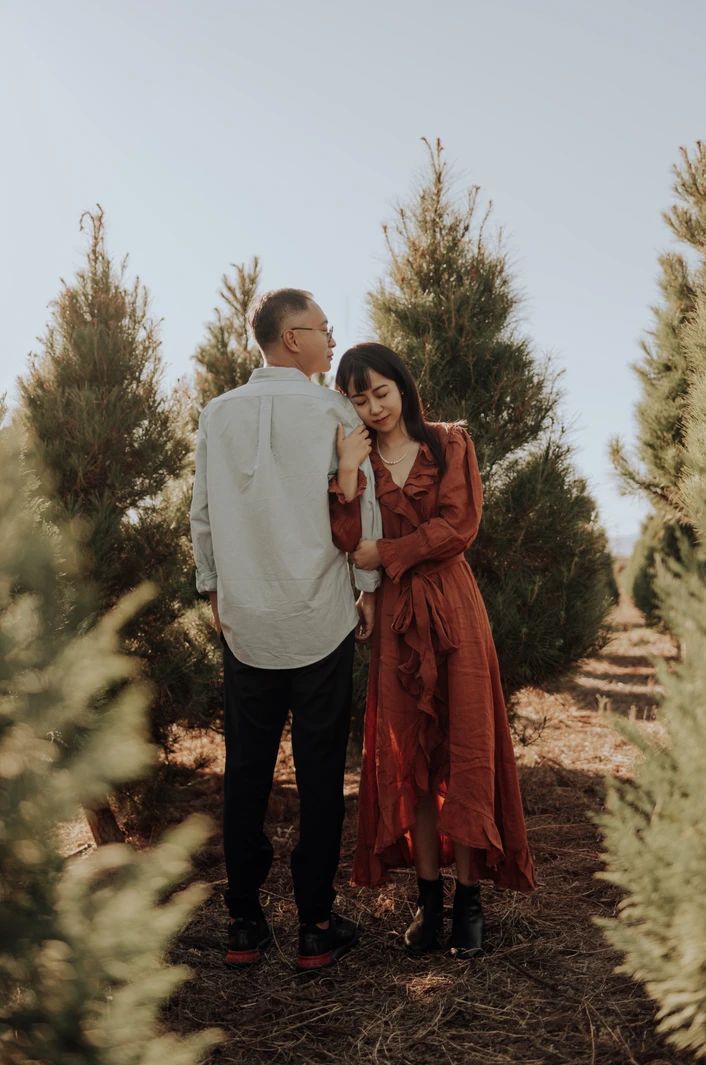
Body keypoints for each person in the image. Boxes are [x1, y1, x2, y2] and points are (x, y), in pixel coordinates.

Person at [190, 290, 382, 971]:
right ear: (293, 337)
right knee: (323, 773)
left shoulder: (217, 413)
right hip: (320, 616)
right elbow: (363, 504)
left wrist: (213, 588)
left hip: (246, 619)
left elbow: (203, 514)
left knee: (244, 771)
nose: (333, 340)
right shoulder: (331, 409)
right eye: (325, 330)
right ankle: (314, 926)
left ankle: (243, 922)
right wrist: (366, 590)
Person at [334, 342, 537, 958]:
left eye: (381, 392)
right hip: (397, 618)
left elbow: (460, 525)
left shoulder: (449, 442)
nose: (373, 407)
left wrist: (389, 554)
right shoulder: (357, 459)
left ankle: (470, 902)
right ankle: (429, 905)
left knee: (467, 749)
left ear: (402, 386)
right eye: (358, 398)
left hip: (452, 609)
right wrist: (345, 472)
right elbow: (346, 537)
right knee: (409, 757)